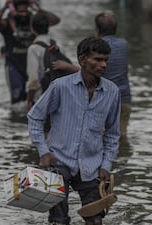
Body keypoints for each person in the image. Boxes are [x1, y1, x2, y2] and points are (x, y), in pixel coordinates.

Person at [27, 37, 121, 225]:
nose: (103, 65)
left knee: (95, 220)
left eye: (105, 60)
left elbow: (112, 134)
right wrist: (44, 151)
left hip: (91, 165)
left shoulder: (112, 92)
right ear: (82, 60)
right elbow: (34, 117)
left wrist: (106, 164)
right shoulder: (61, 86)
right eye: (97, 60)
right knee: (59, 220)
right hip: (57, 163)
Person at [0, 0, 60, 104]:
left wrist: (38, 9)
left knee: (35, 98)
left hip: (31, 65)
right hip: (14, 65)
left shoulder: (34, 22)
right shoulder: (7, 23)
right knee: (17, 99)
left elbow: (56, 20)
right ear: (14, 10)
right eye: (20, 12)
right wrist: (6, 6)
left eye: (25, 11)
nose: (23, 14)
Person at [26, 13, 78, 111]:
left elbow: (33, 80)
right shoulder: (57, 45)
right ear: (48, 27)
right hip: (60, 96)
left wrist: (29, 100)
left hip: (42, 98)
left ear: (32, 28)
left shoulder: (33, 49)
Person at [95, 11, 131, 139]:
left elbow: (89, 72)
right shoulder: (124, 44)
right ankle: (123, 158)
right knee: (120, 137)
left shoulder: (96, 47)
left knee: (101, 139)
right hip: (124, 98)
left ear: (97, 30)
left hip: (104, 99)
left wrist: (66, 67)